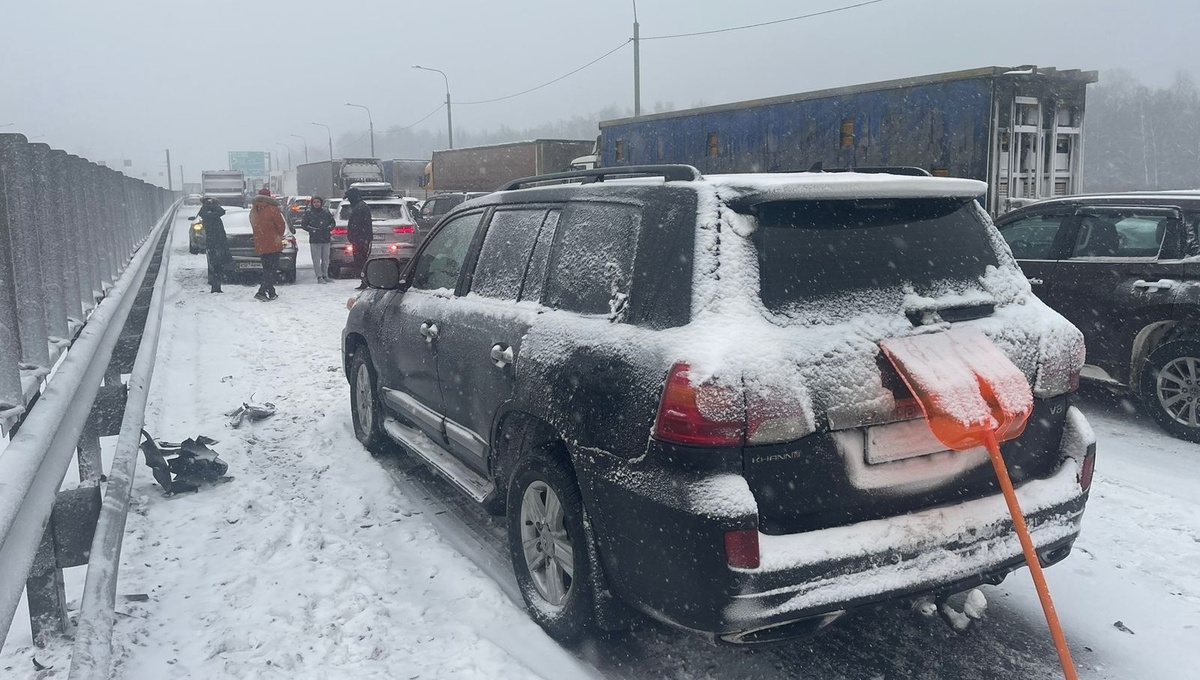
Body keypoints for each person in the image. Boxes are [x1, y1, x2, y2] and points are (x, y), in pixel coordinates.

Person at [249, 193, 287, 301]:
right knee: (271, 269)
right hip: (273, 243)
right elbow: (281, 225)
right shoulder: (273, 209)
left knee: (266, 268)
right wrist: (278, 235)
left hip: (260, 243)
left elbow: (254, 225)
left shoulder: (254, 211)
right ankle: (261, 292)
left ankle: (271, 292)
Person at [196, 198, 230, 293]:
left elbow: (220, 212)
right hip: (217, 242)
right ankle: (216, 286)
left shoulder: (205, 212)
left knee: (216, 264)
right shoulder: (210, 214)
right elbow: (221, 211)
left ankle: (216, 286)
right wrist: (212, 205)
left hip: (213, 242)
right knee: (218, 264)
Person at [299, 196, 335, 283]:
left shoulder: (326, 212)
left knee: (325, 259)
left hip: (325, 239)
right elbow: (304, 225)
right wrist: (312, 229)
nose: (316, 204)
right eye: (314, 202)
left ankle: (325, 274)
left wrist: (329, 227)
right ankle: (319, 276)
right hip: (315, 240)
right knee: (316, 259)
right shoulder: (309, 213)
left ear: (321, 203)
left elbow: (332, 222)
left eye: (318, 202)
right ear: (312, 203)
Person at [344, 186, 373, 290]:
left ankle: (365, 280)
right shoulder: (359, 206)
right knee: (360, 261)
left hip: (360, 239)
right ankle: (364, 280)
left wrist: (358, 238)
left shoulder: (360, 207)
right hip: (360, 239)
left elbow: (361, 225)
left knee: (361, 261)